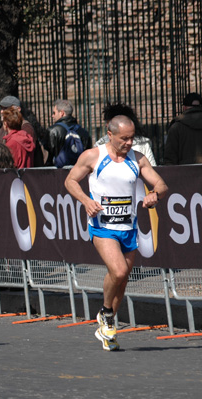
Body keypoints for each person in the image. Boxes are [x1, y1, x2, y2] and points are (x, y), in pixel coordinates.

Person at [65, 115, 168, 351]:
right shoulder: (93, 156)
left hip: (128, 227)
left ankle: (107, 325)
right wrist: (84, 200)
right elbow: (70, 181)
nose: (129, 143)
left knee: (122, 280)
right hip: (102, 226)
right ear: (110, 135)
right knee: (118, 270)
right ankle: (106, 312)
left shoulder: (138, 159)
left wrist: (155, 194)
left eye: (132, 138)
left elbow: (161, 184)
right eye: (124, 138)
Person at [0, 95, 45, 166]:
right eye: (1, 108)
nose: (1, 111)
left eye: (6, 108)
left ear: (18, 109)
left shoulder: (26, 128)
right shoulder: (3, 128)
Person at [46, 99, 92, 167]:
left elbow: (48, 157)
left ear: (62, 113)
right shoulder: (84, 132)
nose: (52, 116)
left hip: (57, 174)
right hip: (78, 173)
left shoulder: (52, 131)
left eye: (54, 113)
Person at [164, 92, 202, 165]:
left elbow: (170, 157)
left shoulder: (176, 127)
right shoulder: (177, 126)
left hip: (185, 172)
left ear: (184, 107)